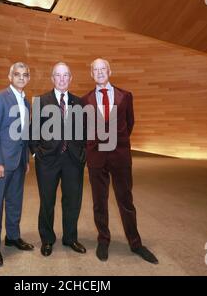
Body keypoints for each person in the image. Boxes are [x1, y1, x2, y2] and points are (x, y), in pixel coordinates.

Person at [81, 58, 158, 264]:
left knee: (125, 201)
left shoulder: (125, 96)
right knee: (99, 201)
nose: (99, 72)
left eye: (103, 69)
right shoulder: (85, 100)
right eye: (95, 69)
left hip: (120, 156)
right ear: (91, 74)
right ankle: (103, 239)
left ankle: (135, 243)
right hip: (96, 157)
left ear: (110, 71)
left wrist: (118, 142)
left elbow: (129, 123)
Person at [30, 62, 86, 257]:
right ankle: (47, 239)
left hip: (73, 161)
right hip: (47, 161)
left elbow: (84, 132)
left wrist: (82, 154)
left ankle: (70, 238)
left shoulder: (79, 103)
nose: (62, 79)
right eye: (58, 75)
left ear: (71, 78)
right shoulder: (41, 101)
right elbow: (33, 131)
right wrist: (36, 153)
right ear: (52, 78)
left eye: (66, 75)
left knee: (72, 201)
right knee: (47, 201)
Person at [0, 62, 34, 267]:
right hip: (1, 163)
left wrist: (26, 159)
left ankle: (12, 237)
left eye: (25, 75)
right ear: (10, 77)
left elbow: (24, 134)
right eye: (17, 74)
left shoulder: (26, 102)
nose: (21, 77)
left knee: (15, 202)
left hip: (19, 162)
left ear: (28, 79)